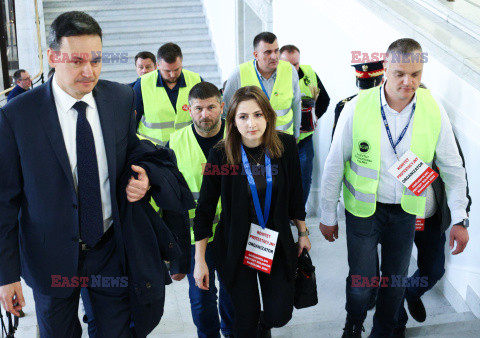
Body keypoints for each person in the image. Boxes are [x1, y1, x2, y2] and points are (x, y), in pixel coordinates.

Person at [0, 11, 155, 337]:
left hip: (109, 251)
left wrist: (142, 178)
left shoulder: (121, 98)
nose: (89, 71)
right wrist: (6, 274)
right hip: (49, 258)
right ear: (52, 57)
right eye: (77, 61)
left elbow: (129, 154)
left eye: (96, 60)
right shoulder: (17, 116)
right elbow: (5, 201)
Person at [319, 38, 469, 338]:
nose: (408, 81)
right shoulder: (357, 107)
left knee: (396, 281)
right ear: (385, 68)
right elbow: (335, 163)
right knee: (363, 283)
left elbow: (453, 168)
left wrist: (459, 218)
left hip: (405, 213)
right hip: (363, 211)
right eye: (400, 73)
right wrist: (327, 213)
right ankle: (354, 321)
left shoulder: (432, 109)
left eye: (415, 74)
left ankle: (385, 331)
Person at [193, 86, 311, 338]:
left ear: (267, 115)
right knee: (243, 320)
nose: (251, 123)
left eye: (258, 115)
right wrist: (199, 260)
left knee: (280, 313)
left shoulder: (286, 146)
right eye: (243, 117)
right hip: (235, 245)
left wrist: (303, 232)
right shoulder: (220, 154)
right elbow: (205, 208)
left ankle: (263, 327)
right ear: (233, 121)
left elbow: (295, 196)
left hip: (275, 242)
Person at [167, 82, 234, 338]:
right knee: (201, 301)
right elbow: (169, 202)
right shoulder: (175, 142)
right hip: (195, 240)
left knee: (232, 297)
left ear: (222, 107)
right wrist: (174, 256)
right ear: (189, 109)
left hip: (232, 234)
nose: (205, 114)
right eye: (198, 108)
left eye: (211, 107)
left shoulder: (239, 135)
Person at [222, 32, 302, 138]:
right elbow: (227, 113)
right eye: (268, 52)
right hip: (251, 142)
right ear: (256, 55)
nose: (274, 56)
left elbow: (296, 104)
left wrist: (296, 134)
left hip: (284, 140)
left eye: (276, 51)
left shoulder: (290, 70)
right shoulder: (238, 74)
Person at [280, 44, 330, 205]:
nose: (293, 68)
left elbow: (324, 99)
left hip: (304, 139)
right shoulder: (274, 80)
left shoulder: (309, 73)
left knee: (304, 178)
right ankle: (283, 214)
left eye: (295, 63)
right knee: (280, 179)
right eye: (287, 64)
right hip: (281, 139)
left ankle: (298, 213)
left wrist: (311, 120)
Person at [134, 42, 202, 146]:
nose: (172, 74)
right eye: (167, 71)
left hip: (187, 148)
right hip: (153, 151)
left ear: (181, 63)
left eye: (177, 69)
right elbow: (132, 122)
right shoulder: (142, 84)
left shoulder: (196, 80)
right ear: (157, 65)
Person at [332, 60, 385, 138]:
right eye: (363, 86)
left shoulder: (390, 106)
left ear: (383, 82)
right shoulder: (343, 106)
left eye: (370, 87)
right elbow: (336, 142)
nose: (366, 91)